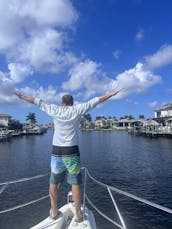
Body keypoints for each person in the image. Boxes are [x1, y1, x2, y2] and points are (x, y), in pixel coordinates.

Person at [14, 88, 122, 222]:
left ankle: (53, 212)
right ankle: (77, 214)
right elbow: (96, 101)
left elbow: (36, 101)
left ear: (61, 102)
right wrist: (111, 94)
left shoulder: (54, 109)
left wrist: (21, 96)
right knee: (75, 183)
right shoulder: (77, 109)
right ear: (72, 102)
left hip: (56, 151)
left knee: (53, 181)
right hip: (71, 151)